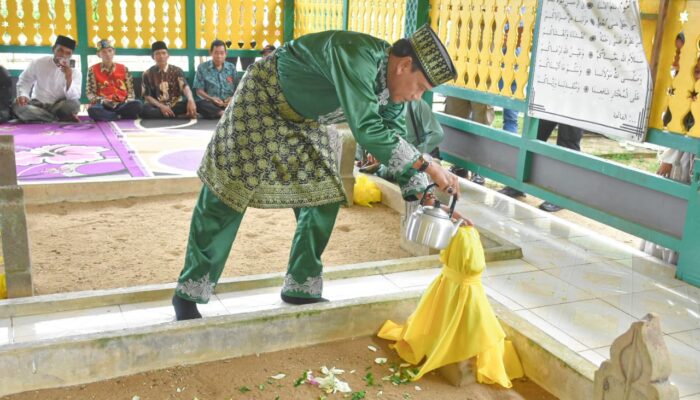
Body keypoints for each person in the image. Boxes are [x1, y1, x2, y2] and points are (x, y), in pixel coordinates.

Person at [171, 25, 463, 320]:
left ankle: (301, 287)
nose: (417, 97)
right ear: (403, 66)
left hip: (308, 119)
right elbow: (367, 130)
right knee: (227, 191)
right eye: (421, 88)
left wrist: (426, 193)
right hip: (265, 97)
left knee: (323, 195)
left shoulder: (393, 91)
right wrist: (428, 165)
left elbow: (394, 137)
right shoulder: (356, 54)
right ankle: (189, 292)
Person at [499, 121, 583, 212]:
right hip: (548, 107)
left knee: (567, 144)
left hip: (574, 110)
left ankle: (562, 197)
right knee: (534, 135)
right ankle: (519, 184)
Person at [359, 98, 444, 181]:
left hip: (416, 156)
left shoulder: (416, 103)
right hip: (393, 156)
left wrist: (414, 154)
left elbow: (437, 134)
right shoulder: (379, 102)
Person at [12, 35, 81, 123]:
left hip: (59, 106)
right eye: (60, 50)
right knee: (17, 105)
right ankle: (55, 119)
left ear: (71, 55)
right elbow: (25, 80)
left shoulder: (75, 71)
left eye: (68, 53)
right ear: (53, 49)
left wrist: (69, 78)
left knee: (74, 105)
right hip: (37, 104)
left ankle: (40, 118)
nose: (63, 55)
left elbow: (74, 97)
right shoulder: (38, 62)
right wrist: (23, 95)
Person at [86, 39, 143, 121]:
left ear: (114, 52)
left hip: (122, 103)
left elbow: (130, 91)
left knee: (138, 104)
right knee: (92, 110)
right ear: (98, 54)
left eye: (110, 51)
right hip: (103, 104)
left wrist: (128, 100)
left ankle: (112, 116)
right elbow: (90, 93)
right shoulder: (93, 69)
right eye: (104, 52)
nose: (107, 54)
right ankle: (119, 116)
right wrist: (102, 101)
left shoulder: (123, 68)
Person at [140, 41, 197, 119]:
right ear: (153, 57)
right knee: (144, 109)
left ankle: (168, 114)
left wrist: (191, 100)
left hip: (175, 105)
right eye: (157, 53)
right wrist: (162, 106)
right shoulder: (147, 74)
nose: (161, 56)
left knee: (196, 103)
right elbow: (147, 96)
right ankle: (174, 114)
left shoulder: (177, 71)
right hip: (158, 106)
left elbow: (185, 87)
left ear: (168, 55)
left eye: (164, 53)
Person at [193, 40, 237, 119]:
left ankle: (222, 113)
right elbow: (199, 91)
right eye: (216, 53)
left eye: (222, 53)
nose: (219, 56)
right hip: (211, 104)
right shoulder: (202, 68)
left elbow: (238, 88)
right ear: (211, 53)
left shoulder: (231, 68)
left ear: (226, 54)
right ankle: (222, 113)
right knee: (200, 104)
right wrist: (212, 99)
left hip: (229, 103)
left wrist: (232, 98)